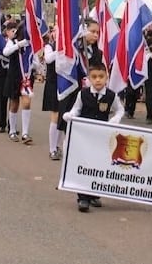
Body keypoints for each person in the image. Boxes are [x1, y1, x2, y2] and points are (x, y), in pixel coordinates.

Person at [62, 62, 124, 212]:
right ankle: (82, 198)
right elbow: (76, 110)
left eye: (101, 77)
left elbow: (120, 110)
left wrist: (115, 119)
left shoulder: (111, 95)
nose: (98, 80)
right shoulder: (82, 94)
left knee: (98, 165)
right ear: (89, 78)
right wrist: (70, 115)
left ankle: (94, 194)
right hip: (84, 136)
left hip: (101, 136)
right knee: (84, 164)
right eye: (94, 77)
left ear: (106, 77)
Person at [41, 30, 62, 159]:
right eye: (54, 30)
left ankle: (58, 145)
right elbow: (48, 59)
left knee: (62, 116)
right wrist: (61, 49)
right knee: (55, 115)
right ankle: (52, 148)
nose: (56, 32)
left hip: (64, 84)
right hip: (53, 84)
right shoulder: (50, 46)